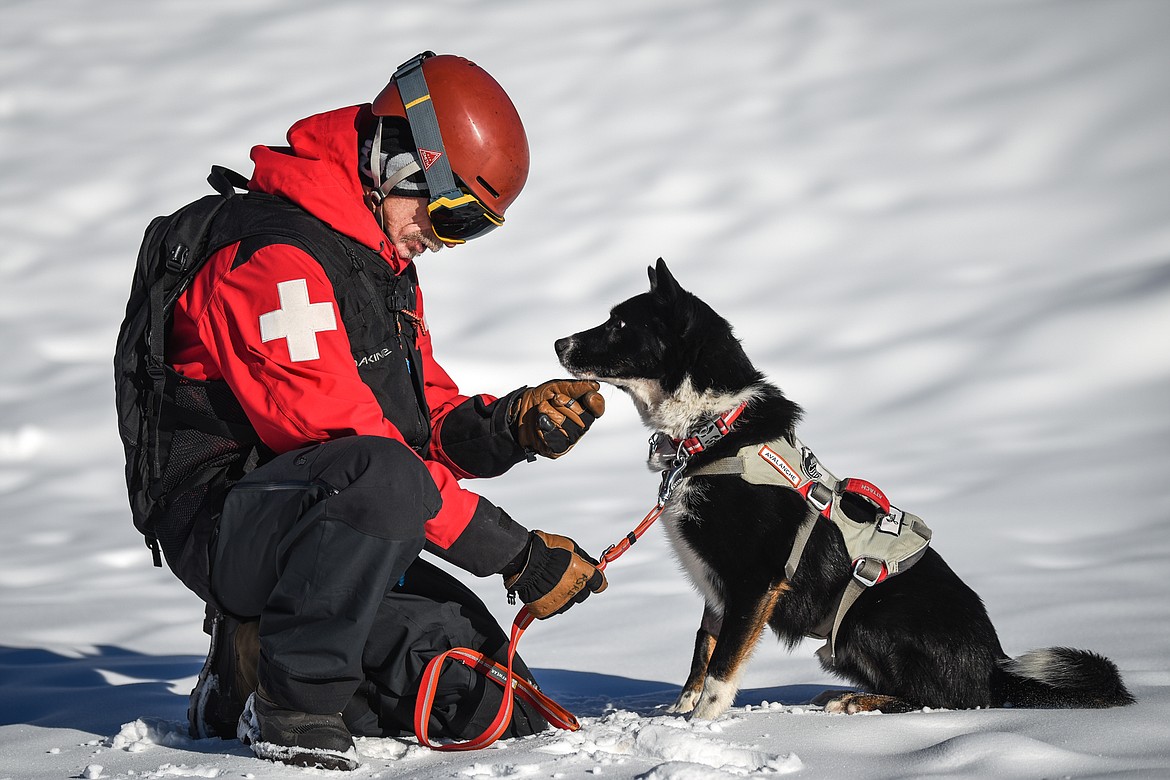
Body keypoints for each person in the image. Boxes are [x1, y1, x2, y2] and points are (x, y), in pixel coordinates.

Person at [161, 52, 608, 770]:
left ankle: (246, 671)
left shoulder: (377, 269)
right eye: (452, 211)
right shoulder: (272, 261)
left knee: (488, 697)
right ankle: (290, 700)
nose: (446, 237)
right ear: (395, 158)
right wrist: (513, 554)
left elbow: (419, 418)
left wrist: (511, 426)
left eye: (474, 226)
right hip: (231, 524)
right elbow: (352, 442)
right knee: (384, 476)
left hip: (335, 518)